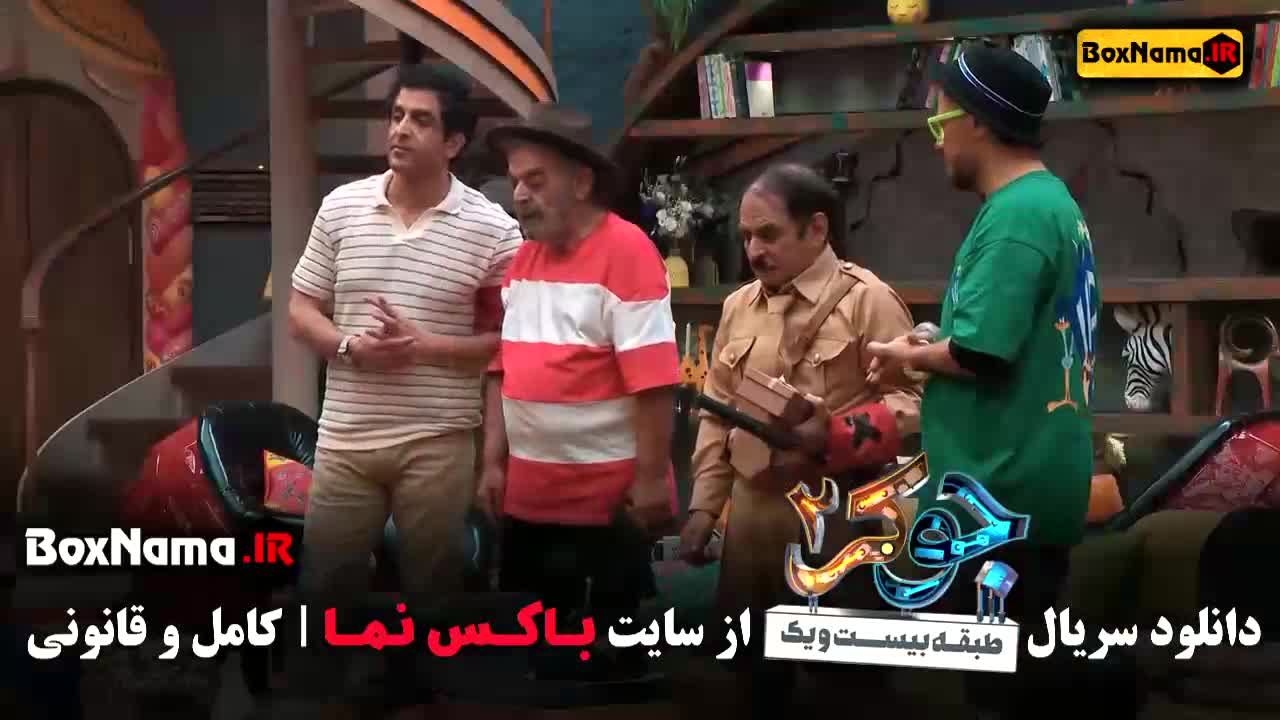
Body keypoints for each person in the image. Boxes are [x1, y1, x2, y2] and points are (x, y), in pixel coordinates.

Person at [853, 44, 1101, 717]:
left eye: (940, 123)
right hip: (1017, 487)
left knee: (1005, 693)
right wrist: (930, 341)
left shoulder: (1018, 216)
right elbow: (1004, 337)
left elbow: (983, 355)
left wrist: (904, 356)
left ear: (979, 123)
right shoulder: (1047, 204)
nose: (936, 141)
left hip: (1001, 496)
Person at [285, 63, 522, 703]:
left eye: (420, 120)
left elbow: (508, 344)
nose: (400, 130)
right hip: (346, 437)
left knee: (432, 600)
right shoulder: (341, 207)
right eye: (396, 116)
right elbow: (301, 310)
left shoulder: (494, 231)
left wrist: (426, 347)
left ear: (454, 142)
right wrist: (349, 346)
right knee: (323, 591)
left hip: (438, 438)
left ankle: (420, 700)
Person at [678, 162, 922, 716]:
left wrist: (834, 436)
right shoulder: (738, 306)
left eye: (768, 234)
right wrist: (703, 508)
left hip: (840, 523)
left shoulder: (868, 300)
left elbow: (914, 404)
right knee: (753, 685)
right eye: (746, 237)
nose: (754, 251)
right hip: (754, 525)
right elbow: (717, 414)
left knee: (848, 689)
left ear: (816, 229)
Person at [480, 103, 679, 678]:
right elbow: (503, 366)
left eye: (536, 180)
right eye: (516, 181)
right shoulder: (524, 259)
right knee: (538, 660)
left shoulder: (628, 252)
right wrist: (492, 462)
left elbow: (655, 379)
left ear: (582, 182)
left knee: (610, 667)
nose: (520, 195)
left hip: (606, 503)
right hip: (529, 498)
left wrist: (650, 479)